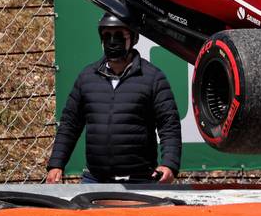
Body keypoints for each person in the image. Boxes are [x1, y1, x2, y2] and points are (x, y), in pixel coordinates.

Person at [46, 14, 181, 184]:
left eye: (119, 35)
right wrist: (56, 164)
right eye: (107, 36)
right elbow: (70, 124)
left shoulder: (153, 77)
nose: (112, 41)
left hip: (140, 180)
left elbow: (169, 125)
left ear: (133, 38)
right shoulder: (87, 77)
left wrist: (169, 164)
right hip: (95, 179)